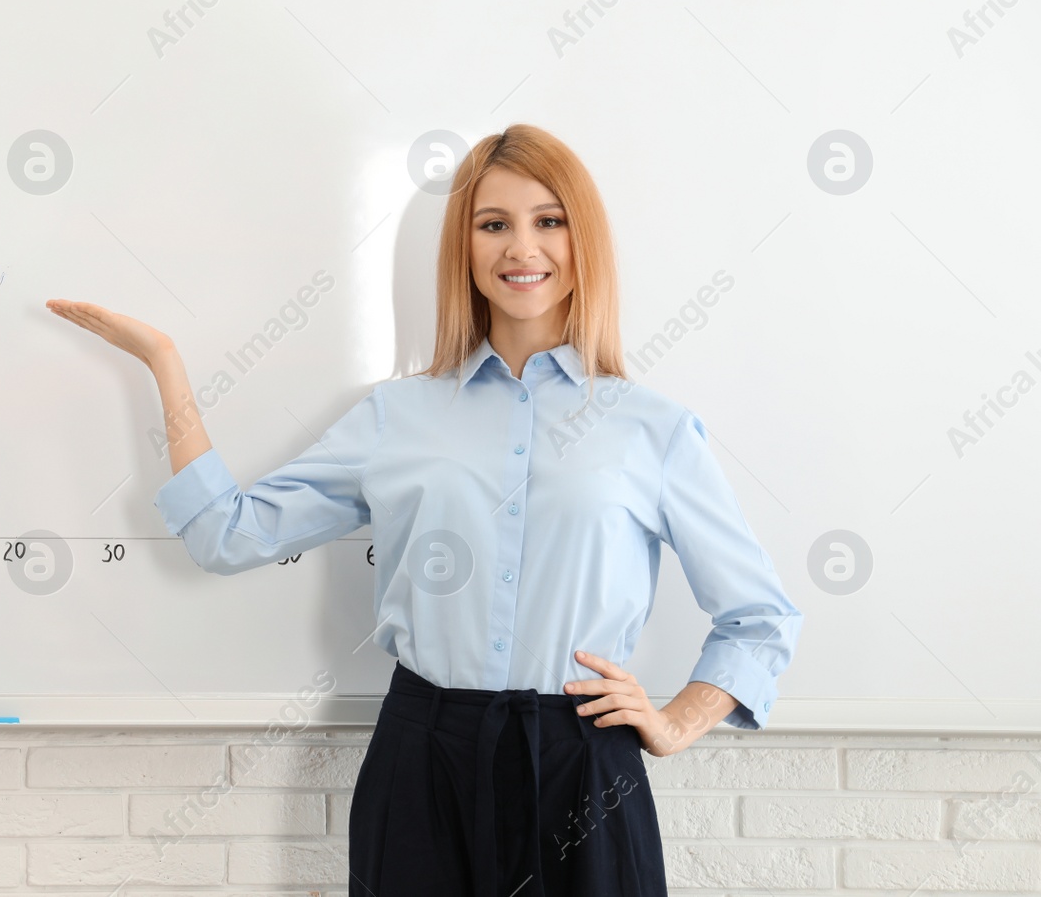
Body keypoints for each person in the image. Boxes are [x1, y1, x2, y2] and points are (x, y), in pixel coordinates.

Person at [45, 123, 802, 897]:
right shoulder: (397, 416)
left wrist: (676, 722)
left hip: (585, 764)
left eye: (548, 220)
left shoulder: (654, 429)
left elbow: (761, 617)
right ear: (464, 247)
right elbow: (225, 534)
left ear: (584, 241)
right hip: (424, 757)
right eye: (493, 224)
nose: (521, 247)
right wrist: (165, 363)